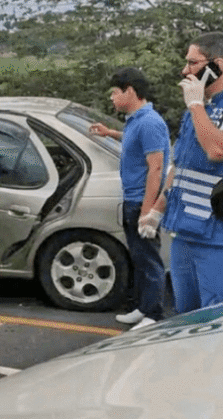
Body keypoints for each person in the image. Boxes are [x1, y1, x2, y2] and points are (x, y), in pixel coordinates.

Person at [140, 32, 223, 313]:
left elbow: (217, 150)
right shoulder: (195, 110)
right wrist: (157, 210)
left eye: (192, 63)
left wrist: (196, 106)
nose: (185, 71)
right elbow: (181, 165)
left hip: (221, 235)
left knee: (221, 319)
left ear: (217, 65)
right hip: (186, 231)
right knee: (187, 316)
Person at [89, 68, 170, 329]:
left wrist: (148, 211)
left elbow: (156, 167)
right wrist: (110, 133)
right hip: (132, 199)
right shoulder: (136, 120)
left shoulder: (150, 122)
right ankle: (142, 307)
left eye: (115, 92)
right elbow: (135, 141)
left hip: (141, 201)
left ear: (130, 91)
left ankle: (154, 314)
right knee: (139, 258)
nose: (112, 98)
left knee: (149, 259)